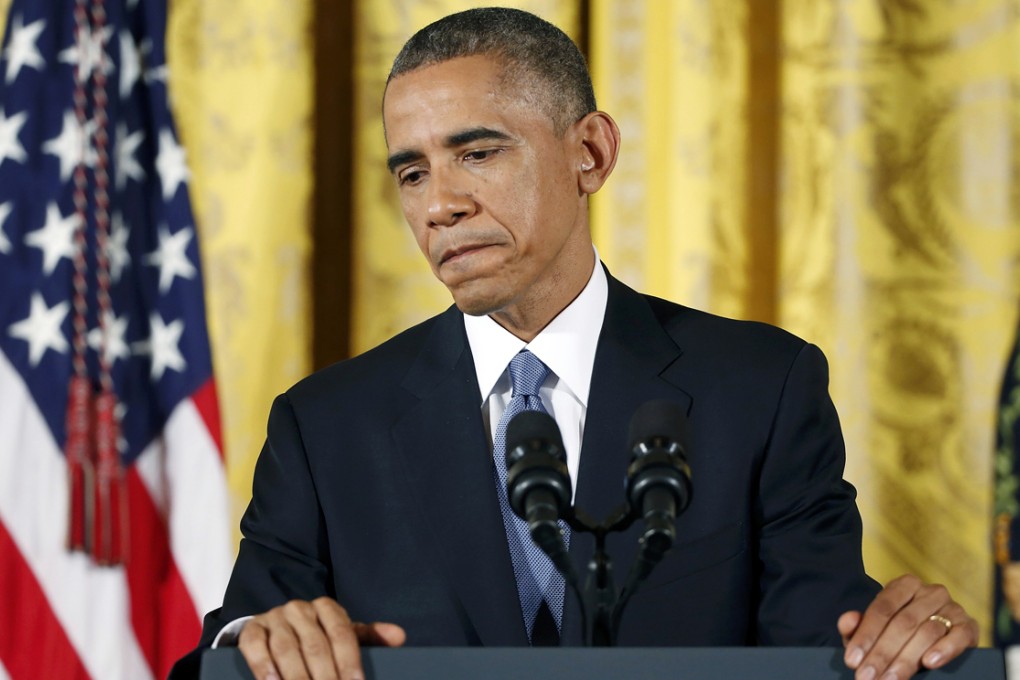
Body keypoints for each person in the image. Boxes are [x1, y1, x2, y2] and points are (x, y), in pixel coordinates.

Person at [170, 7, 978, 680]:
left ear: (589, 152)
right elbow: (232, 642)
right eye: (411, 173)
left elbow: (826, 648)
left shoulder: (761, 388)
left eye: (477, 153)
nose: (437, 206)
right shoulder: (326, 425)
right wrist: (256, 643)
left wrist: (911, 641)